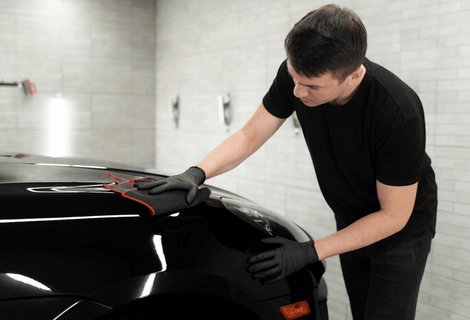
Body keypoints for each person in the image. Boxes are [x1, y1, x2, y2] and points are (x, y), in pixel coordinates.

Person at [136, 4, 437, 320]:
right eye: (295, 78)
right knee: (362, 310)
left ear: (353, 75)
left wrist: (310, 251)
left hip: (401, 228)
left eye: (312, 86)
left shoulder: (398, 113)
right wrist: (197, 172)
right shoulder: (299, 75)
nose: (298, 92)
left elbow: (393, 215)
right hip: (350, 213)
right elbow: (251, 134)